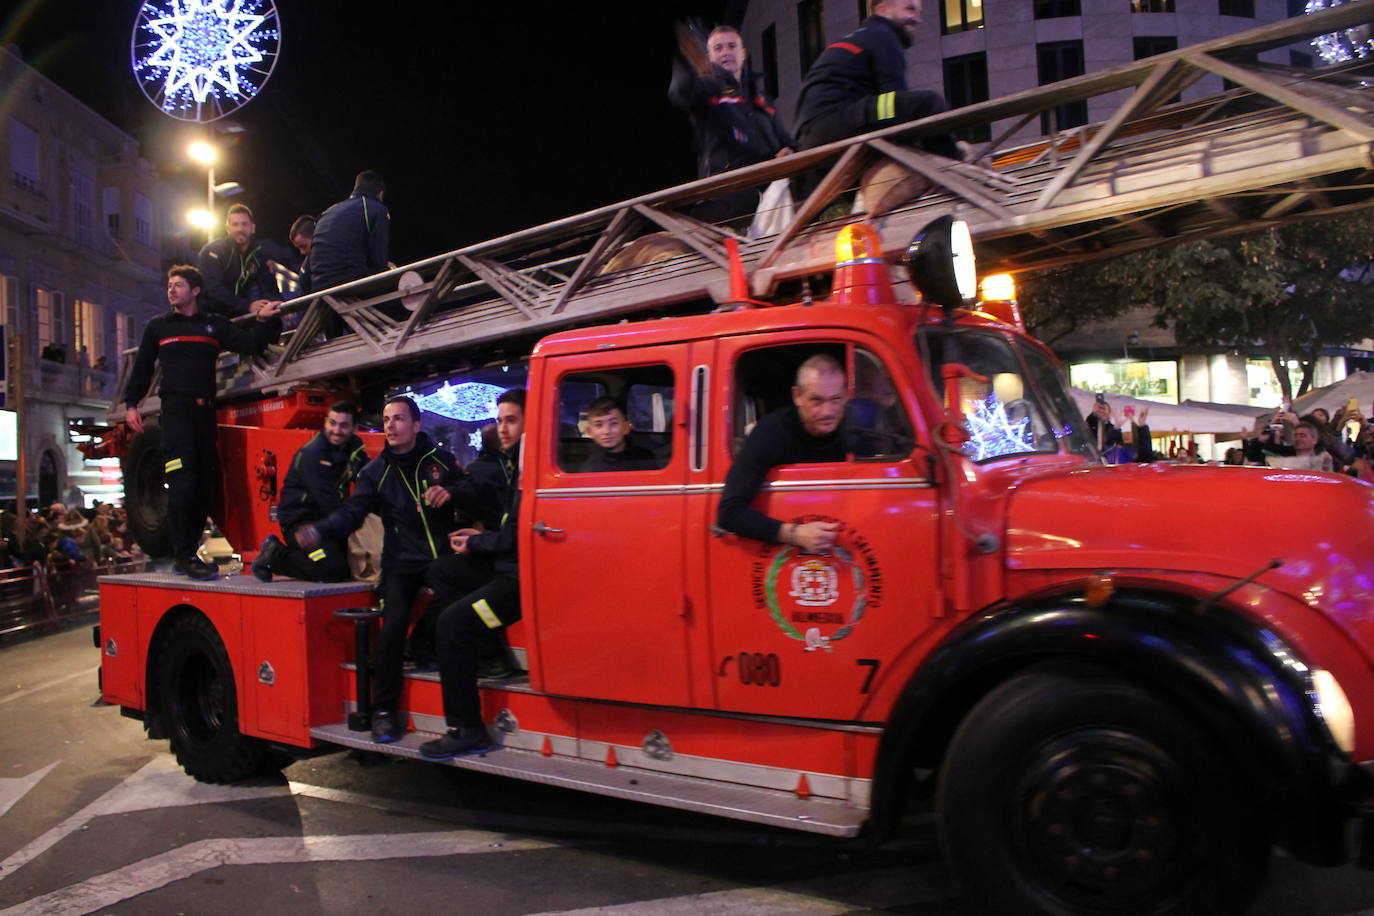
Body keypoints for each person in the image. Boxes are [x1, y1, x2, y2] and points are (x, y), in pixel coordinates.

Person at [294, 396, 462, 743]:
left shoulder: (440, 461)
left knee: (457, 599)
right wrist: (320, 531)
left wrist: (453, 492)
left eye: (399, 419)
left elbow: (470, 490)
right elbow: (352, 513)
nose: (390, 425)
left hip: (441, 558)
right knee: (392, 626)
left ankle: (422, 643)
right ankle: (383, 712)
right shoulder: (375, 472)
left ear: (416, 426)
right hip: (400, 564)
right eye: (386, 419)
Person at [124, 265, 283, 579]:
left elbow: (250, 344)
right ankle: (184, 555)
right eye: (170, 285)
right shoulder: (159, 327)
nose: (172, 290)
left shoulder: (214, 325)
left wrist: (266, 321)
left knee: (204, 485)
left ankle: (193, 552)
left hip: (205, 413)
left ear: (195, 291)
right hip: (176, 413)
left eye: (178, 285)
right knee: (182, 483)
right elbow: (142, 366)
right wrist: (132, 404)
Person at [418, 389, 527, 760]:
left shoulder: (525, 467)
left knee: (452, 624)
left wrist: (479, 544)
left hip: (521, 583)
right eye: (500, 420)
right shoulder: (514, 463)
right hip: (507, 565)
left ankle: (466, 729)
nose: (504, 428)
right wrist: (482, 539)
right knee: (443, 570)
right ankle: (487, 654)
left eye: (511, 420)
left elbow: (518, 537)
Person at [793, 0, 960, 160]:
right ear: (883, 10)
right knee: (928, 103)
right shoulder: (883, 35)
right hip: (834, 123)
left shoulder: (862, 37)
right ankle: (953, 176)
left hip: (815, 133)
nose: (917, 18)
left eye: (919, 12)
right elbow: (897, 105)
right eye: (910, 9)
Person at [716, 354, 848, 552]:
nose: (827, 411)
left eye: (836, 399)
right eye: (816, 401)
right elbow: (730, 513)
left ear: (846, 395)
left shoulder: (859, 428)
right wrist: (794, 534)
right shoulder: (772, 432)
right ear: (797, 396)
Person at [669, 23, 793, 222]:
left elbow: (786, 142)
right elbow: (682, 93)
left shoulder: (762, 99)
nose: (726, 52)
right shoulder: (706, 92)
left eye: (731, 46)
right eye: (718, 48)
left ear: (743, 53)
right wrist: (689, 66)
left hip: (771, 195)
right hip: (728, 197)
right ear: (708, 57)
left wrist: (787, 151)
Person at [252, 401, 370, 582]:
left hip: (330, 523)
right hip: (303, 525)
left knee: (348, 566)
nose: (336, 430)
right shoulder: (313, 455)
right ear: (325, 422)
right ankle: (275, 555)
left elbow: (372, 480)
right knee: (332, 570)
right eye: (332, 423)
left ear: (355, 427)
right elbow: (330, 502)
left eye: (343, 425)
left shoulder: (355, 450)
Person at [308, 170, 390, 295]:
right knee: (400, 286)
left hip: (318, 287)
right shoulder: (376, 208)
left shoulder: (329, 211)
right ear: (380, 194)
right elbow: (379, 257)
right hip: (346, 282)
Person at [197, 204, 283, 317]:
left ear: (252, 228)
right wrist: (247, 306)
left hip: (237, 315)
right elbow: (213, 288)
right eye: (235, 224)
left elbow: (269, 286)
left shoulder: (259, 254)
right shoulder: (212, 251)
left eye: (244, 224)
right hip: (210, 316)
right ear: (227, 228)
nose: (240, 229)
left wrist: (279, 305)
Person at [577, 396, 658, 472]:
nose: (606, 431)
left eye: (613, 423)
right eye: (599, 425)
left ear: (626, 427)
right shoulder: (589, 469)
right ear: (590, 432)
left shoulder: (645, 458)